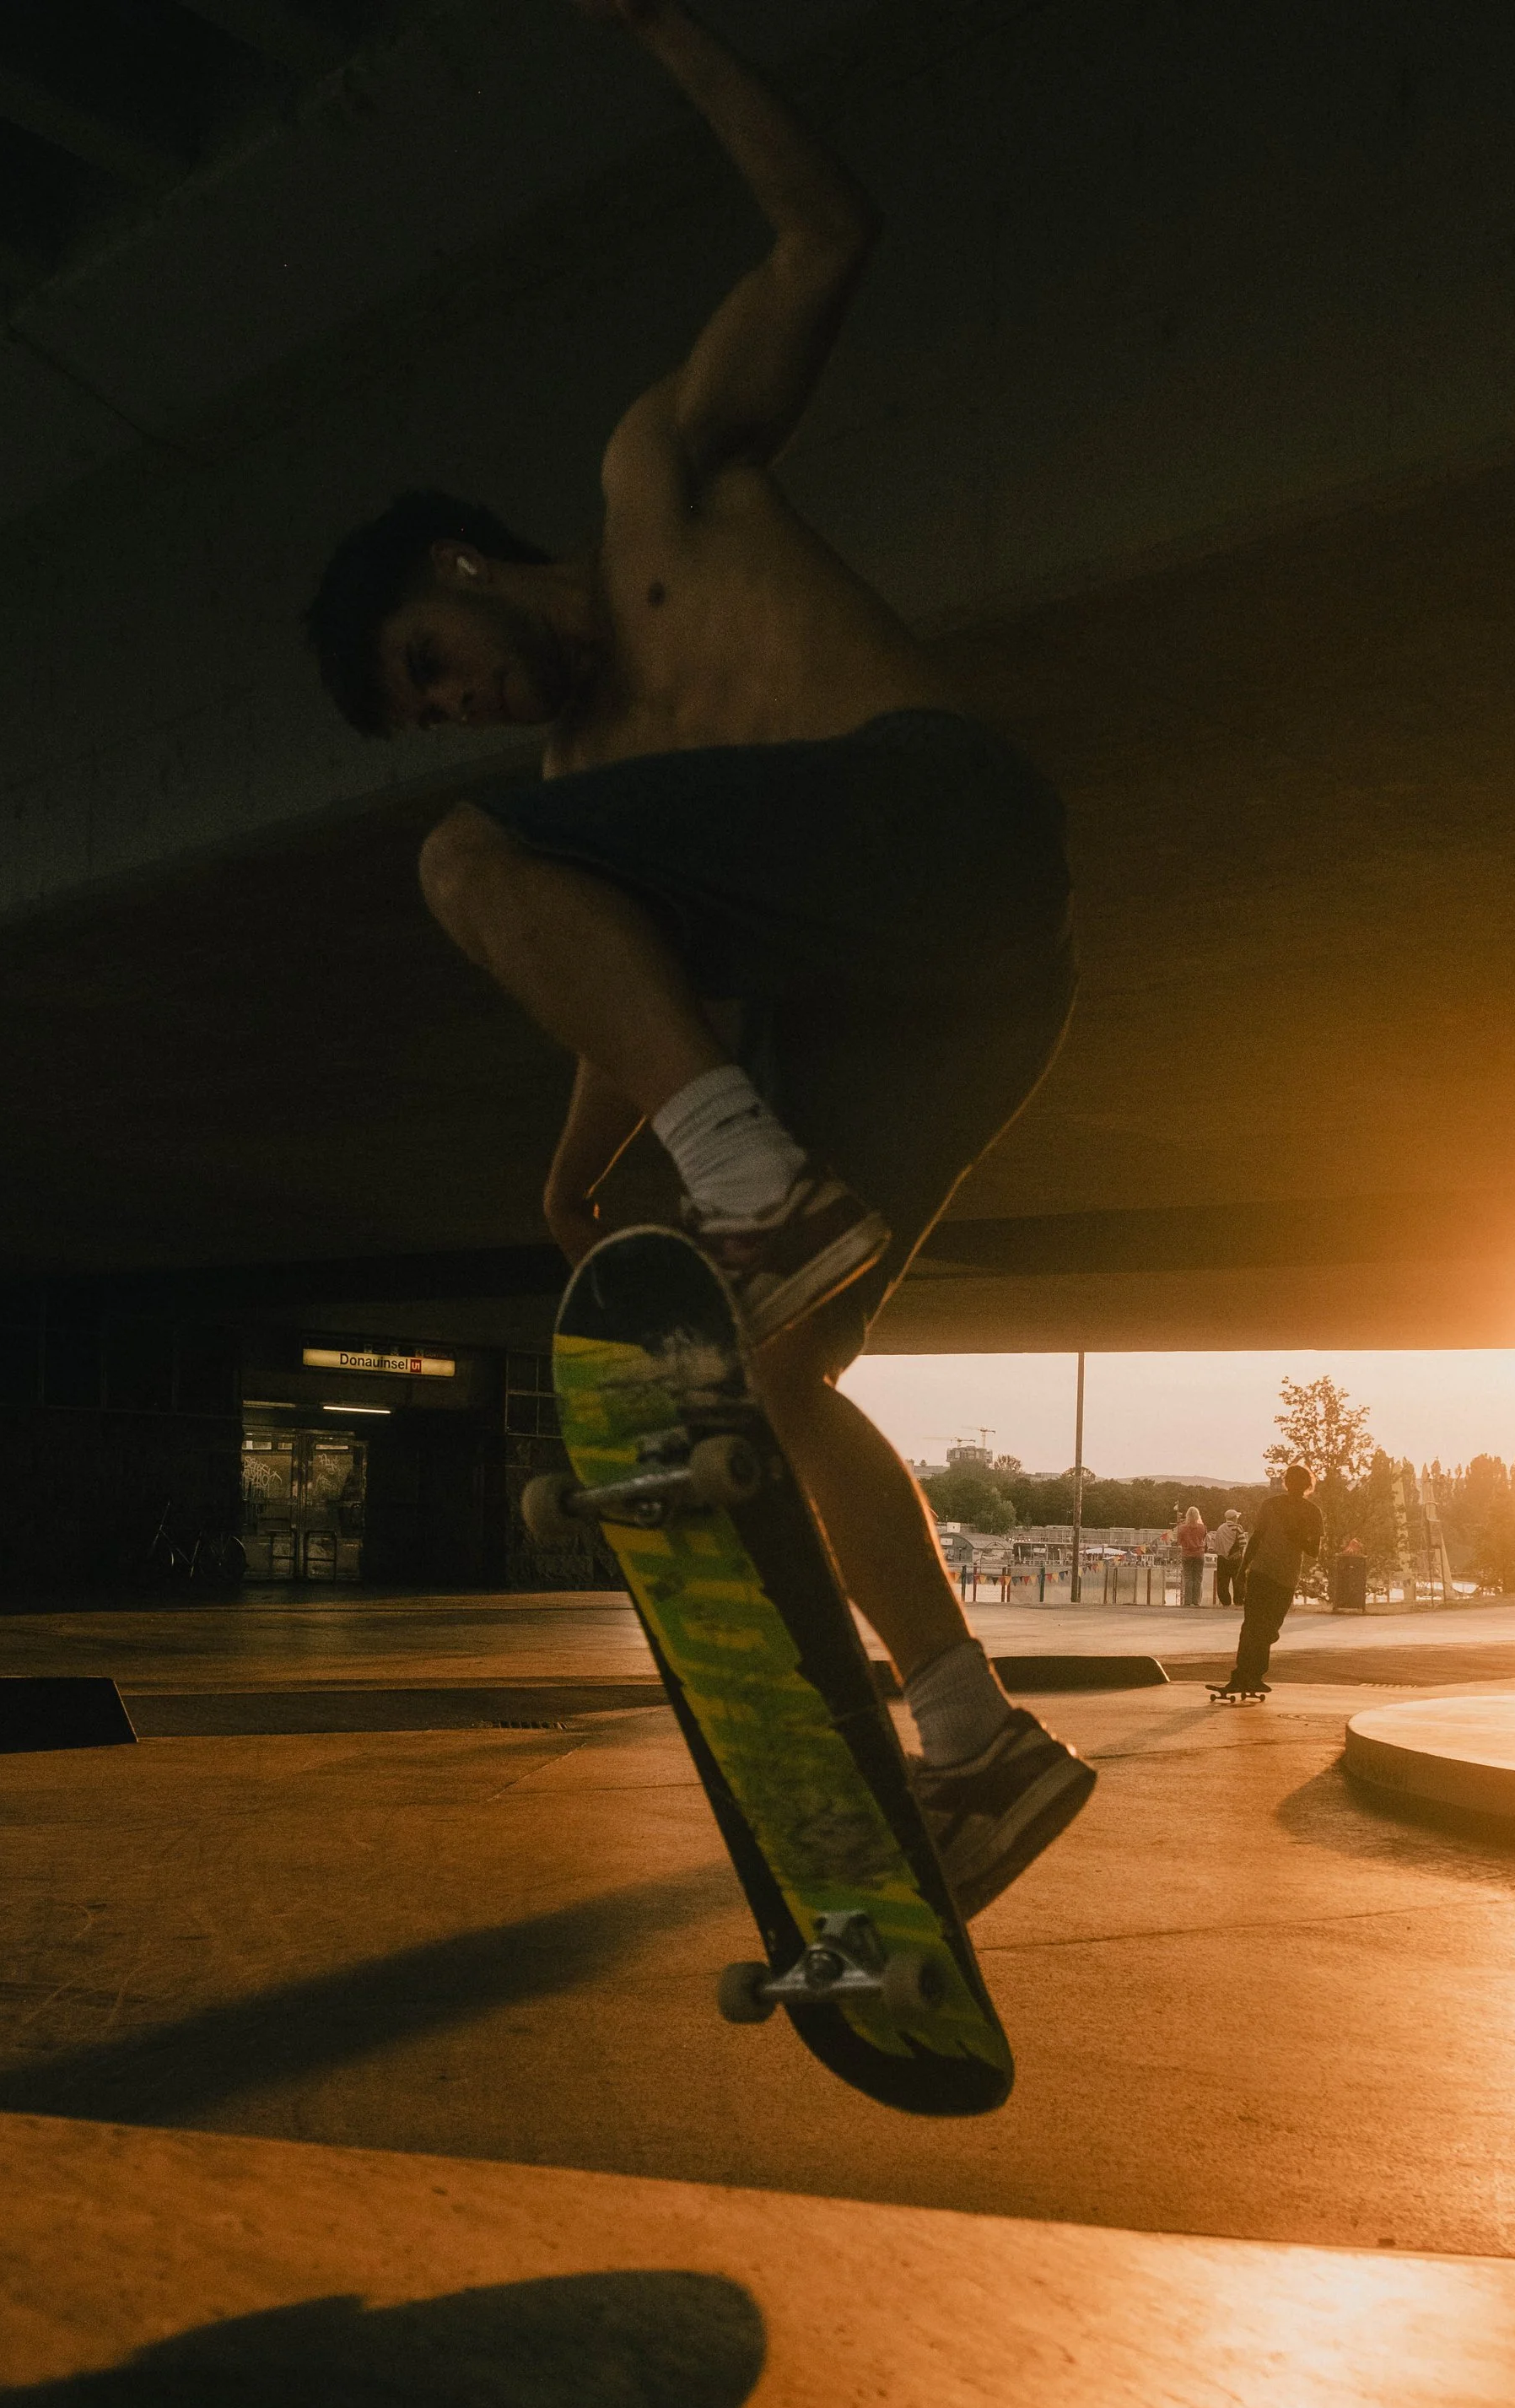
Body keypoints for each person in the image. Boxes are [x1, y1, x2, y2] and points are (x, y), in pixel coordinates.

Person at [302, 0, 1090, 1919]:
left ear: (460, 568)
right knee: (770, 1371)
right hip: (957, 995)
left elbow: (825, 234)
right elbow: (622, 987)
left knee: (461, 860)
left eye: (429, 662)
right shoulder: (589, 782)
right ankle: (977, 1734)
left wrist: (672, 43)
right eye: (431, 706)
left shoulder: (660, 482)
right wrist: (583, 1166)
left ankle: (760, 1191)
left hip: (938, 818)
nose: (462, 700)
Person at [1221, 1466, 1324, 1694]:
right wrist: (1244, 1568)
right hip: (1277, 1576)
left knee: (1257, 1627)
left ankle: (1248, 1675)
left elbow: (1257, 1538)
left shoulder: (1296, 1509)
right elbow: (1314, 1551)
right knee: (1260, 1627)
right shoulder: (1306, 1510)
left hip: (1269, 1573)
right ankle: (1248, 1676)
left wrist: (1243, 1569)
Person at [1174, 1503, 1209, 1607]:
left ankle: (1188, 1601)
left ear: (1187, 1516)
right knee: (1198, 1578)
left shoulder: (1182, 1528)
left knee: (1188, 1578)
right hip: (1199, 1554)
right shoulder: (1203, 1527)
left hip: (1187, 1554)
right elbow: (1204, 1540)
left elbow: (1179, 1542)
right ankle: (1196, 1601)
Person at [1210, 1507, 1246, 1607]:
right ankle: (1238, 1601)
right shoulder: (1237, 1527)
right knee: (1238, 1581)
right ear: (1234, 1518)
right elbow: (1243, 1543)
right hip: (1235, 1558)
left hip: (1222, 1559)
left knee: (1223, 1582)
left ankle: (1225, 1602)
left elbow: (1216, 1545)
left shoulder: (1220, 1528)